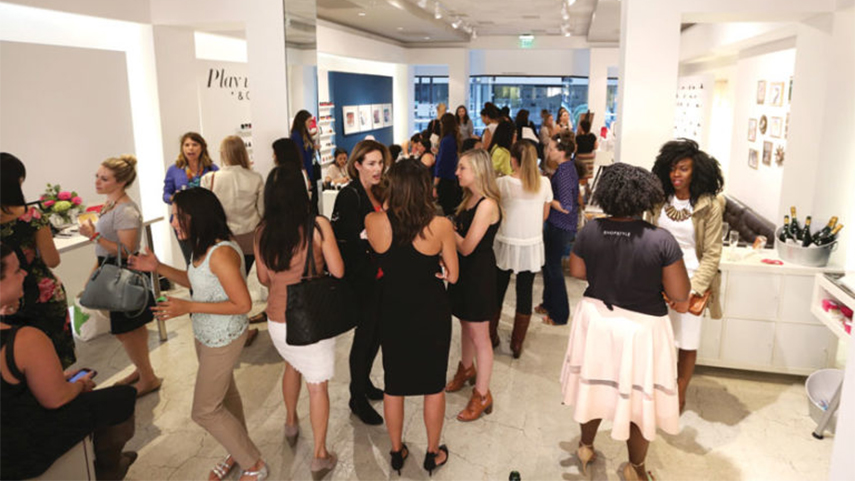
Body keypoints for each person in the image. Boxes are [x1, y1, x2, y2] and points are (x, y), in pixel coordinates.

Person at [560, 162, 690, 481]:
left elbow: (577, 271)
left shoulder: (590, 230)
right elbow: (680, 294)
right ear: (646, 197)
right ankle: (636, 469)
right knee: (637, 397)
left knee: (593, 384)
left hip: (598, 320)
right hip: (641, 328)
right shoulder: (660, 240)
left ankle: (585, 446)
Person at [129, 188, 268, 481]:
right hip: (206, 333)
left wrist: (187, 306)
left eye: (177, 217)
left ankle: (254, 465)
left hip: (223, 337)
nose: (172, 223)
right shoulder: (202, 247)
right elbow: (197, 281)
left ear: (197, 216)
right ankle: (238, 450)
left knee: (204, 410)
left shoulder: (221, 254)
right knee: (225, 397)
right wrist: (158, 267)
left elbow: (243, 304)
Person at [0, 244, 138, 480]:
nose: (24, 273)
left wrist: (52, 379)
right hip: (20, 450)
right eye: (16, 271)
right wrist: (79, 385)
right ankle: (108, 469)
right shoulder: (25, 340)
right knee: (122, 397)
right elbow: (57, 398)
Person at [364, 159, 458, 477]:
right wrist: (439, 268)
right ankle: (432, 453)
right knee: (434, 385)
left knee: (394, 385)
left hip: (392, 307)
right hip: (431, 310)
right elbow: (454, 276)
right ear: (423, 188)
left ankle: (396, 451)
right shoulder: (440, 225)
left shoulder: (373, 221)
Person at [254, 167, 343, 480]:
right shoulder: (317, 225)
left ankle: (291, 422)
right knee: (317, 386)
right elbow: (338, 270)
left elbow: (263, 278)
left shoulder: (262, 231)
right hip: (310, 319)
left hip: (277, 319)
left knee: (291, 365)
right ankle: (319, 455)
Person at [649, 138, 725, 413]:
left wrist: (692, 290)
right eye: (672, 168)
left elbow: (713, 253)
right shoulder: (659, 199)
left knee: (687, 342)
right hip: (658, 279)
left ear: (696, 171)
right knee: (659, 338)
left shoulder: (710, 205)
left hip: (692, 279)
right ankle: (657, 388)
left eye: (683, 169)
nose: (676, 174)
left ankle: (679, 395)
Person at [79, 155, 161, 397]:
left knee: (126, 330)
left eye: (104, 179)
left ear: (121, 182)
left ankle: (148, 377)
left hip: (123, 274)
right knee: (132, 328)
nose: (97, 182)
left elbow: (126, 250)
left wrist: (94, 236)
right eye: (97, 176)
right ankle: (142, 370)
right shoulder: (111, 204)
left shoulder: (126, 211)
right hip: (111, 268)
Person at [331, 140, 390, 426]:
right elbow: (349, 240)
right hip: (362, 278)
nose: (378, 169)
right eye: (371, 164)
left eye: (380, 163)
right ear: (357, 165)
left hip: (381, 275)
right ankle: (356, 396)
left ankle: (364, 382)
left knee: (377, 333)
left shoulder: (378, 191)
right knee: (365, 336)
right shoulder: (349, 195)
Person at [0, 153, 75, 368]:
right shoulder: (32, 216)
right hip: (43, 294)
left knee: (17, 362)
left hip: (5, 300)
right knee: (55, 360)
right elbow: (52, 260)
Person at [446, 149, 502, 422]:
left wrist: (447, 230)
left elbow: (467, 246)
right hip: (464, 273)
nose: (457, 172)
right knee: (466, 325)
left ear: (478, 171)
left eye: (462, 168)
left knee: (480, 336)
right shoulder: (469, 199)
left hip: (478, 275)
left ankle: (481, 394)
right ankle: (466, 369)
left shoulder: (487, 205)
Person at [492, 142, 553, 358]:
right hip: (531, 243)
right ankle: (517, 343)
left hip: (505, 241)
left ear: (513, 160)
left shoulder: (501, 184)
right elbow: (545, 215)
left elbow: (494, 212)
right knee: (525, 292)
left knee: (497, 289)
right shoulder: (544, 183)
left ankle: (491, 335)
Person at [201, 135, 267, 332]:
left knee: (224, 285)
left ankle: (230, 328)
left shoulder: (209, 179)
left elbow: (206, 212)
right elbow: (262, 211)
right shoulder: (255, 178)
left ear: (222, 153)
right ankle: (240, 327)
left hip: (221, 238)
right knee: (241, 281)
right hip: (249, 236)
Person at [537, 131, 579, 326]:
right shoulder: (566, 168)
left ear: (562, 152)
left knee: (553, 269)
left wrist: (546, 197)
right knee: (548, 265)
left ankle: (560, 314)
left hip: (561, 226)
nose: (549, 151)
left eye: (552, 149)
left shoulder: (564, 173)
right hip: (558, 225)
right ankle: (548, 303)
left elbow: (566, 206)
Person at [163, 132, 218, 265]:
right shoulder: (174, 170)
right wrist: (174, 197)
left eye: (194, 144)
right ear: (182, 148)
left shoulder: (212, 168)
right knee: (191, 260)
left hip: (205, 220)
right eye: (187, 145)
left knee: (207, 260)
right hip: (182, 221)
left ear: (202, 147)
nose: (190, 148)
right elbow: (165, 195)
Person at [434, 113, 463, 216]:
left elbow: (441, 164)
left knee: (447, 210)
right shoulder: (455, 138)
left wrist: (435, 184)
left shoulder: (446, 140)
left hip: (446, 180)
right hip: (453, 178)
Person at [291, 110, 319, 208]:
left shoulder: (305, 133)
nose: (310, 123)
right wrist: (306, 176)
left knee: (314, 198)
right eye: (309, 121)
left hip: (311, 168)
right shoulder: (296, 136)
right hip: (305, 171)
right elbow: (300, 156)